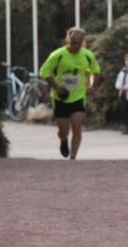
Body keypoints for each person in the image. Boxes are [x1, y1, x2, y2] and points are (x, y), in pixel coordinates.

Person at [39, 27, 100, 159]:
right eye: (73, 43)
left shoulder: (87, 55)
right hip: (61, 97)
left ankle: (73, 156)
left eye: (78, 43)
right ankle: (63, 140)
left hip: (78, 97)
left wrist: (92, 86)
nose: (75, 46)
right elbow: (44, 72)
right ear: (68, 40)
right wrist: (56, 86)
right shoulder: (57, 55)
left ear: (83, 42)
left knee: (77, 127)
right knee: (63, 131)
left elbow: (95, 71)